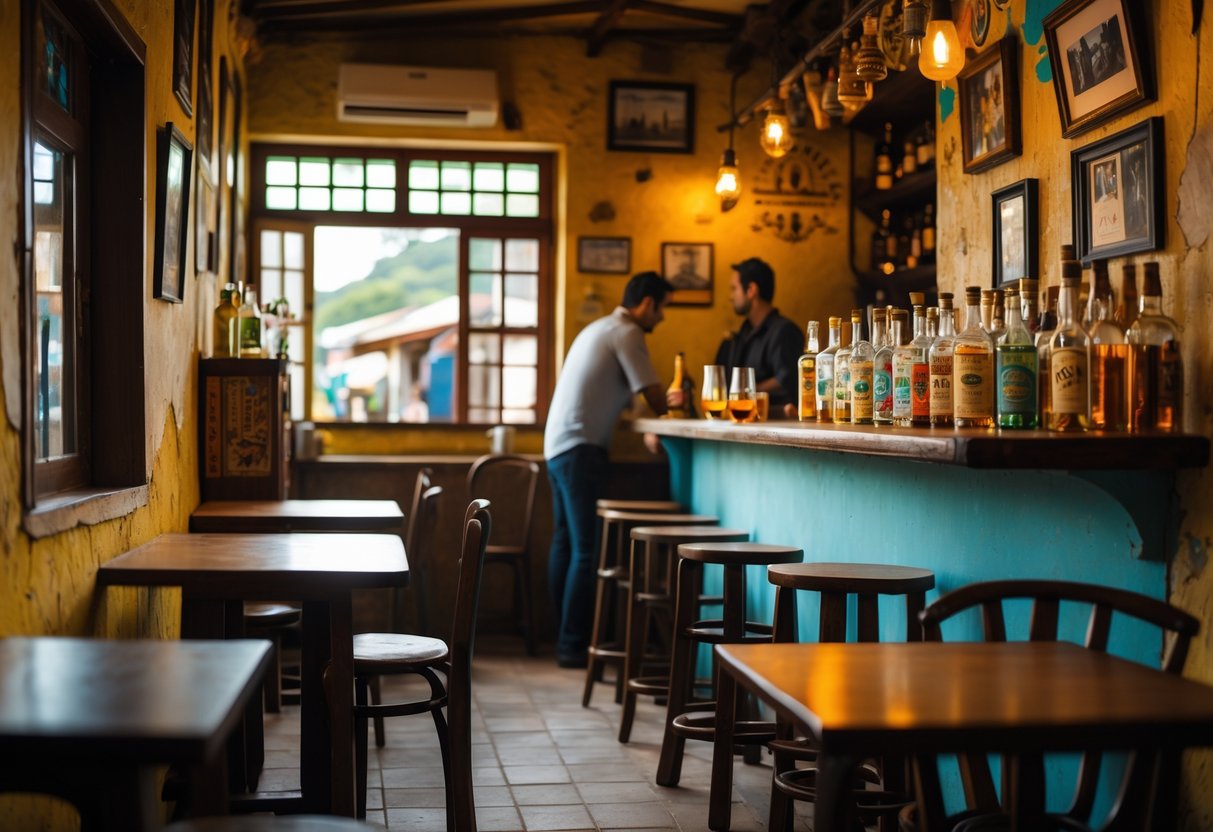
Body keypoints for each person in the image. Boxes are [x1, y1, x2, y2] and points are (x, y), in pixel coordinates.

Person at [544, 271, 673, 668]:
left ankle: (561, 637)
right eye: (663, 307)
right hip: (581, 450)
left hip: (557, 447)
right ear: (648, 303)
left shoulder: (599, 327)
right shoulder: (628, 332)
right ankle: (572, 645)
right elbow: (654, 398)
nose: (663, 318)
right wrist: (675, 412)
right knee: (586, 550)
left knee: (566, 543)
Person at [713, 257, 803, 414]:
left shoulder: (784, 331)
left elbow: (787, 381)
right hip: (744, 421)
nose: (731, 296)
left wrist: (744, 393)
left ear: (751, 290)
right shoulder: (742, 333)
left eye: (734, 289)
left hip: (776, 427)